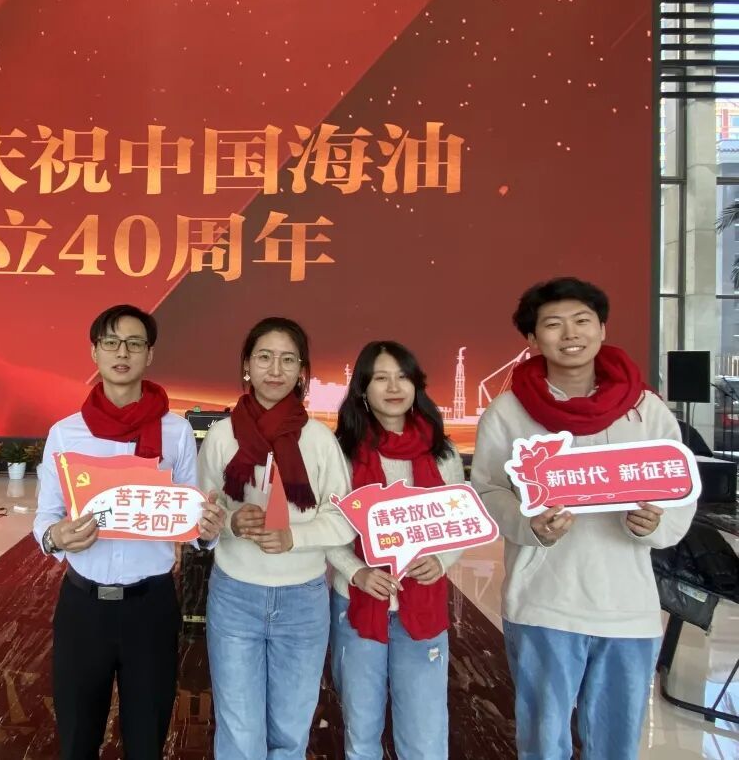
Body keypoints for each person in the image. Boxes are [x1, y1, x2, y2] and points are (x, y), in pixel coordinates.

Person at [472, 277, 696, 760]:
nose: (570, 334)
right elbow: (487, 490)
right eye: (553, 324)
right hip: (543, 605)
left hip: (628, 608)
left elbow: (679, 487)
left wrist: (657, 524)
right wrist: (529, 524)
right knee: (542, 741)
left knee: (616, 744)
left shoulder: (645, 409)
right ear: (532, 339)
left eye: (582, 321)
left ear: (602, 329)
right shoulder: (509, 412)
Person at [32, 304, 225, 760]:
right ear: (95, 352)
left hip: (150, 608)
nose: (123, 352)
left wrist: (207, 527)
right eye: (112, 343)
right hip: (83, 608)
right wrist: (56, 537)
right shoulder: (66, 433)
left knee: (146, 740)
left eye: (134, 343)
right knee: (77, 741)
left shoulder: (175, 432)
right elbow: (45, 518)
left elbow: (191, 515)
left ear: (149, 354)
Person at [197, 317, 355, 760]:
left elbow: (343, 520)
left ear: (302, 372)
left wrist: (293, 537)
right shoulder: (222, 436)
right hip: (235, 597)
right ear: (246, 366)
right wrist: (231, 522)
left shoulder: (319, 440)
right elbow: (201, 514)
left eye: (288, 360)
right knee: (239, 728)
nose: (275, 369)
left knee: (290, 731)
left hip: (303, 601)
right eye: (264, 357)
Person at [327, 341, 464, 760]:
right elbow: (327, 525)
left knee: (425, 735)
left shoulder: (442, 453)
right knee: (361, 730)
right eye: (380, 378)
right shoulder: (341, 452)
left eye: (402, 377)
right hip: (358, 604)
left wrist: (441, 560)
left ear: (416, 385)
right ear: (362, 389)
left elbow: (460, 521)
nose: (393, 387)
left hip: (422, 607)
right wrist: (356, 571)